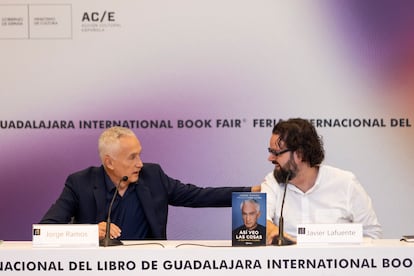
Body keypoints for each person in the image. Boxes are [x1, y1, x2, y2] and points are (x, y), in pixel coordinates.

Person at [40, 126, 259, 241]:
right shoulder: (80, 183)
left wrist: (249, 192)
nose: (140, 164)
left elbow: (198, 196)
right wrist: (89, 233)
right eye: (132, 157)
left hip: (147, 265)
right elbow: (44, 230)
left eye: (140, 155)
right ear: (109, 162)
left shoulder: (152, 176)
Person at [261, 118, 382, 245]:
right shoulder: (272, 182)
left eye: (276, 153)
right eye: (271, 152)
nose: (270, 158)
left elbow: (371, 233)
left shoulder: (346, 183)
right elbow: (262, 219)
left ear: (300, 154)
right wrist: (274, 232)